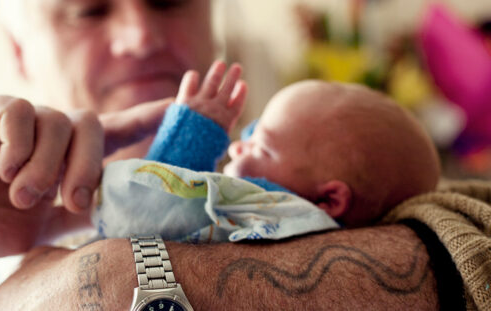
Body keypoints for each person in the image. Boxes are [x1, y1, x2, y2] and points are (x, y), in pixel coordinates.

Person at [0, 0, 465, 309]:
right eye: (88, 10)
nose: (140, 36)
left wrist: (117, 273)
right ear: (18, 49)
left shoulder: (414, 195)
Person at [95, 61, 440, 242]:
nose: (233, 146)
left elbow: (139, 211)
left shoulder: (287, 215)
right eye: (247, 134)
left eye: (260, 145)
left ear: (329, 201)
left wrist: (191, 139)